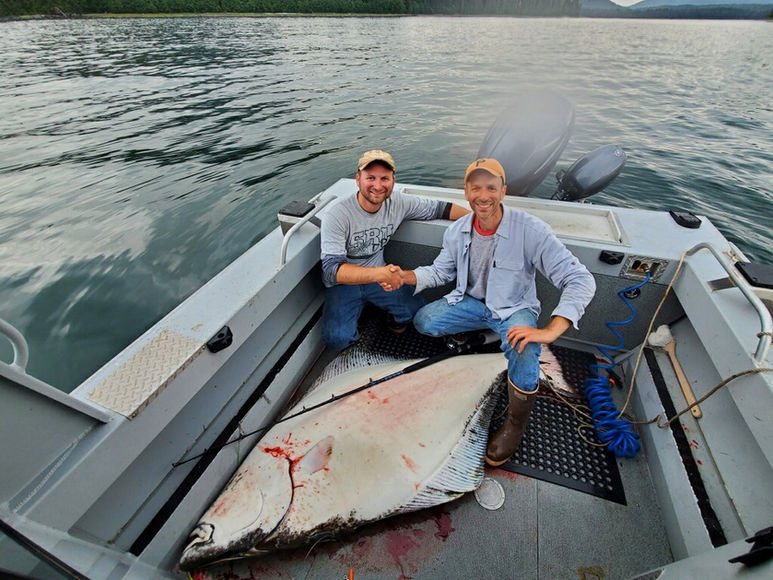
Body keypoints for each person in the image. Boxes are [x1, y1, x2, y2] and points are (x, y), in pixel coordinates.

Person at [398, 158, 596, 466]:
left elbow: (580, 279)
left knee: (525, 347)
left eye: (491, 187)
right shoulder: (457, 231)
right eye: (475, 187)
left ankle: (515, 424)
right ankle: (486, 335)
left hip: (513, 310)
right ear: (466, 192)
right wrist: (406, 277)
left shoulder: (531, 230)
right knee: (425, 321)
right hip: (472, 302)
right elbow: (440, 272)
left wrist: (550, 331)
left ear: (503, 191)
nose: (483, 195)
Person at [320, 149, 469, 351]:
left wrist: (477, 221)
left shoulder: (398, 202)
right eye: (370, 178)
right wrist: (379, 273)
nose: (378, 186)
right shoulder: (338, 214)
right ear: (357, 179)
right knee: (336, 338)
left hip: (381, 278)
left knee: (415, 311)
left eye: (384, 178)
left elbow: (442, 208)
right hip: (345, 284)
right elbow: (331, 271)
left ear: (393, 180)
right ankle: (355, 344)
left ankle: (393, 321)